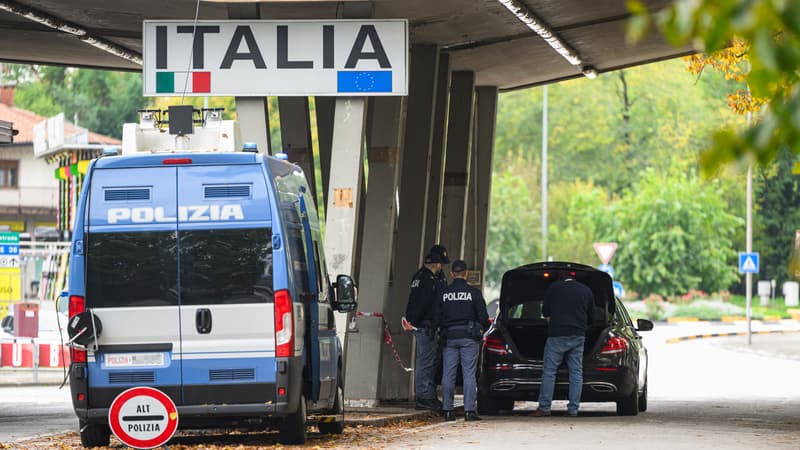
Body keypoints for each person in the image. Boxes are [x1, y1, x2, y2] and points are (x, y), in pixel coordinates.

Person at [530, 273, 595, 417]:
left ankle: (545, 408)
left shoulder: (554, 288)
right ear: (574, 279)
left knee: (549, 371)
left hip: (557, 335)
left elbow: (545, 312)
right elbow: (592, 317)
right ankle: (573, 409)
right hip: (578, 336)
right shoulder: (586, 290)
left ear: (560, 279)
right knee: (576, 373)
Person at [437, 259, 489, 422]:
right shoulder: (473, 293)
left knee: (448, 374)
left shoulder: (444, 293)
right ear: (466, 274)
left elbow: (436, 317)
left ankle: (447, 410)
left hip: (450, 338)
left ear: (452, 274)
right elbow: (484, 318)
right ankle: (469, 411)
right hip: (468, 338)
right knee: (468, 374)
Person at [404, 252, 445, 411]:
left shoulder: (419, 276)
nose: (442, 267)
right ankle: (424, 397)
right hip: (425, 327)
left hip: (421, 325)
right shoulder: (428, 280)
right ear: (437, 264)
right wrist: (427, 322)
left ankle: (427, 395)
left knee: (428, 361)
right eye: (441, 264)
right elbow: (424, 304)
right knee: (426, 363)